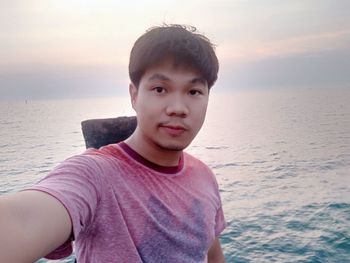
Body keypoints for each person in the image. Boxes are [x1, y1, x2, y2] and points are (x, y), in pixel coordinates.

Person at [0, 24, 226, 262]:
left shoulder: (204, 176)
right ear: (134, 95)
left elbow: (211, 254)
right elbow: (22, 221)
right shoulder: (95, 174)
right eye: (160, 89)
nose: (178, 108)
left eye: (194, 92)